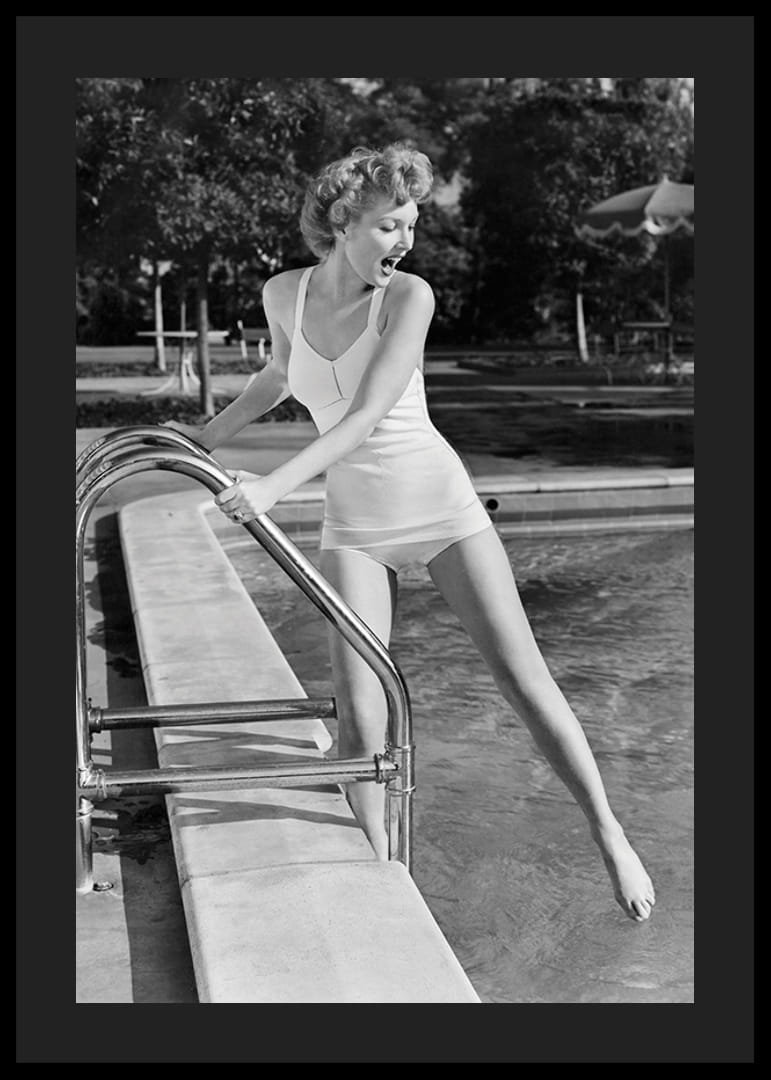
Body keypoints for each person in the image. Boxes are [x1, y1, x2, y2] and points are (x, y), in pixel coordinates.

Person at [166, 144, 656, 922]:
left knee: (521, 683)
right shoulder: (282, 293)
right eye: (391, 224)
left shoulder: (409, 298)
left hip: (438, 507)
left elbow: (363, 415)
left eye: (411, 225)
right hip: (354, 522)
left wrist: (273, 484)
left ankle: (607, 832)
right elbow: (278, 377)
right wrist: (205, 437)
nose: (405, 241)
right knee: (360, 714)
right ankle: (384, 878)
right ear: (340, 221)